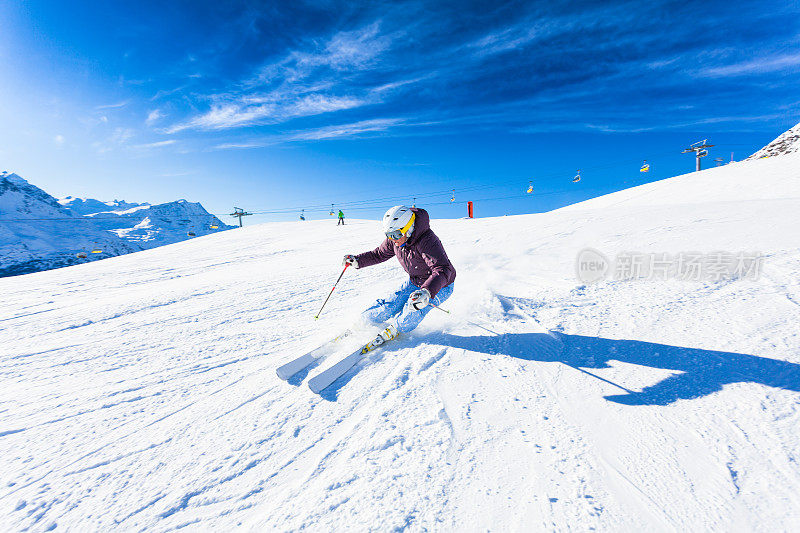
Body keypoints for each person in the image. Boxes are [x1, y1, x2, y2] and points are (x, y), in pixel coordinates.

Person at [343, 205, 455, 345]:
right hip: (415, 282)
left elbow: (442, 268)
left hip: (440, 285)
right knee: (388, 306)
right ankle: (363, 322)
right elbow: (379, 254)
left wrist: (427, 292)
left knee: (413, 308)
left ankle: (396, 328)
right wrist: (357, 261)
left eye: (396, 235)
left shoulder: (427, 241)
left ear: (409, 228)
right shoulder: (395, 239)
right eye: (389, 235)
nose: (393, 239)